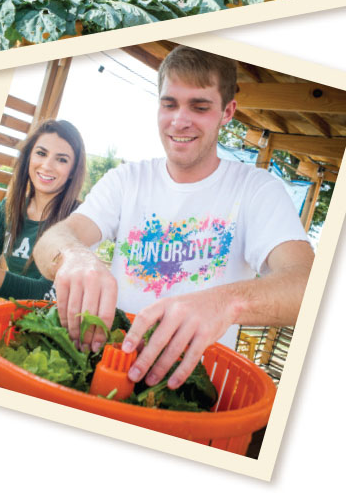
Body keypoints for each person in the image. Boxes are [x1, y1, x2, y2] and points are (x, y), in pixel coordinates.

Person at [33, 46, 314, 392]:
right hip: (108, 375)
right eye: (169, 104)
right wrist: (74, 256)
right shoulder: (127, 180)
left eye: (199, 106)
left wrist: (225, 302)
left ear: (227, 112)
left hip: (196, 391)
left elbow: (306, 284)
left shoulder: (256, 189)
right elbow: (53, 239)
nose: (180, 120)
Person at [0, 119, 86, 300]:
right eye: (41, 153)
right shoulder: (9, 208)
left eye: (61, 159)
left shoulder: (81, 219)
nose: (47, 165)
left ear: (73, 170)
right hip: (10, 316)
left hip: (51, 324)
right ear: (29, 158)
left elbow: (45, 293)